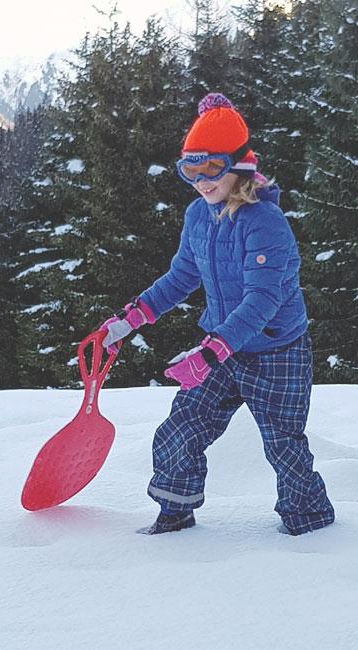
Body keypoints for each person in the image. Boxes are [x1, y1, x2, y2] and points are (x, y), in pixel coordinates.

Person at [100, 93, 335, 536]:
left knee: (284, 445)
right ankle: (175, 513)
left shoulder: (266, 222)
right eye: (190, 168)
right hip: (221, 347)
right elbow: (180, 277)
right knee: (181, 427)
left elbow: (261, 300)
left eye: (211, 169)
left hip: (275, 351)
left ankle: (311, 526)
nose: (200, 181)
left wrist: (211, 352)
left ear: (239, 166)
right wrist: (130, 319)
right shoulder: (198, 215)